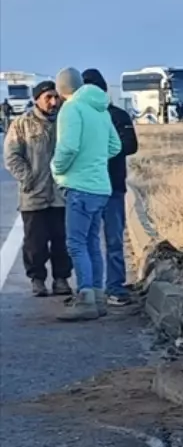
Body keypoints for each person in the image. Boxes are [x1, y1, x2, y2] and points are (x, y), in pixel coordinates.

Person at [51, 67, 120, 321]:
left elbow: (68, 147)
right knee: (92, 243)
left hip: (79, 186)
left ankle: (85, 298)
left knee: (76, 244)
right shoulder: (100, 108)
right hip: (101, 186)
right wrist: (95, 157)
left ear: (61, 88)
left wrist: (57, 168)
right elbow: (115, 145)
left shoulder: (71, 108)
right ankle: (98, 297)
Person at [3, 80, 73, 298]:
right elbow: (12, 156)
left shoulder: (66, 121)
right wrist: (28, 178)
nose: (53, 102)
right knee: (35, 243)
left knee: (62, 240)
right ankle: (38, 280)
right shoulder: (22, 124)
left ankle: (61, 279)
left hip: (61, 195)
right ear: (37, 100)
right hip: (33, 195)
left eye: (55, 97)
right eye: (47, 98)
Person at [81, 69, 139, 307]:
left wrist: (101, 150)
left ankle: (115, 287)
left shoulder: (118, 115)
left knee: (114, 240)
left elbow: (131, 145)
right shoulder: (78, 116)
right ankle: (90, 288)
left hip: (113, 186)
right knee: (86, 241)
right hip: (86, 187)